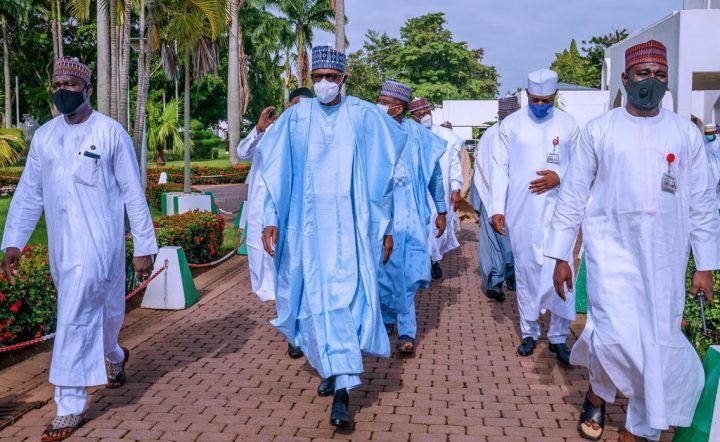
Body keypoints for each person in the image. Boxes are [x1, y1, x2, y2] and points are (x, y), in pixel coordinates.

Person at [546, 40, 720, 442]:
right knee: (612, 334)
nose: (652, 83)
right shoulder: (599, 131)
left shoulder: (684, 134)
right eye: (643, 74)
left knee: (657, 341)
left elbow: (703, 202)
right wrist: (560, 255)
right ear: (624, 79)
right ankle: (599, 390)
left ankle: (639, 426)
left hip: (665, 257)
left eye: (661, 76)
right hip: (612, 252)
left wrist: (706, 265)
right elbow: (572, 195)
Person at [0, 57, 157, 441]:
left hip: (100, 246)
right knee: (99, 316)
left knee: (73, 319)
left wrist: (144, 245)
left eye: (70, 84)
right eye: (57, 84)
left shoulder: (110, 133)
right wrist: (13, 242)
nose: (62, 91)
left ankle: (69, 408)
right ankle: (115, 357)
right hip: (61, 248)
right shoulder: (45, 137)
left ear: (87, 89)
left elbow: (133, 194)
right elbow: (28, 194)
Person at [259, 46, 406, 429]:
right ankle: (330, 366)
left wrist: (385, 227)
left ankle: (342, 390)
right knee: (311, 304)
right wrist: (270, 217)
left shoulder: (363, 115)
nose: (324, 83)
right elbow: (274, 173)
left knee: (345, 301)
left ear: (344, 78)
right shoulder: (296, 117)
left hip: (351, 231)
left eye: (331, 76)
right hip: (306, 233)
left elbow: (383, 175)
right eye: (317, 77)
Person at [490, 68, 579, 364]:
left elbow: (582, 167)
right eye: (535, 100)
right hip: (522, 210)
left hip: (560, 210)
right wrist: (497, 209)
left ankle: (558, 337)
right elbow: (499, 168)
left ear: (555, 96)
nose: (540, 105)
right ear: (526, 96)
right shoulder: (511, 126)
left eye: (546, 100)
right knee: (527, 271)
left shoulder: (569, 125)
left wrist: (560, 176)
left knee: (561, 268)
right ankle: (529, 332)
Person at [236, 87, 313, 360]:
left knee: (298, 272)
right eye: (294, 105)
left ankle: (300, 329)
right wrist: (258, 129)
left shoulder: (315, 133)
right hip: (265, 212)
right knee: (278, 274)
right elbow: (242, 153)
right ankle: (293, 332)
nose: (298, 110)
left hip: (299, 212)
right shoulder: (271, 130)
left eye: (304, 105)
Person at [377, 82, 447, 355]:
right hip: (381, 215)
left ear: (399, 107)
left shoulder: (419, 136)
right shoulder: (373, 132)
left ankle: (405, 330)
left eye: (384, 101)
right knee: (381, 270)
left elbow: (436, 176)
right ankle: (385, 318)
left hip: (412, 215)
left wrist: (441, 210)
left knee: (407, 275)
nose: (379, 105)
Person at [471, 96, 520, 301]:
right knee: (492, 242)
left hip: (516, 198)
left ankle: (509, 277)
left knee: (512, 240)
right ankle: (495, 281)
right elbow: (480, 168)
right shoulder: (491, 134)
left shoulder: (521, 132)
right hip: (490, 196)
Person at [409, 97, 462, 280]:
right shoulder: (409, 134)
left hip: (440, 192)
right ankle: (426, 263)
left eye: (427, 112)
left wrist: (456, 188)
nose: (425, 116)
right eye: (420, 114)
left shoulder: (446, 135)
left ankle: (435, 260)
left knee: (437, 229)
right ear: (412, 116)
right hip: (417, 193)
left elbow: (455, 164)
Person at [703, 123, 720, 208]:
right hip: (707, 174)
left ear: (714, 132)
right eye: (706, 133)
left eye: (710, 133)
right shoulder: (702, 142)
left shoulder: (719, 142)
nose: (708, 135)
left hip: (718, 173)